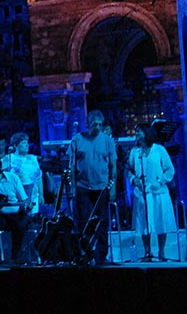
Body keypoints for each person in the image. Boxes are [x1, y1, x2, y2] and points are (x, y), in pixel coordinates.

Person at [69, 109, 118, 265]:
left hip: (102, 187)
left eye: (100, 124)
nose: (97, 127)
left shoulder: (107, 140)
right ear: (88, 123)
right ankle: (86, 254)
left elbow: (113, 165)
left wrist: (113, 187)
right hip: (83, 186)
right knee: (84, 221)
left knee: (102, 222)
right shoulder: (77, 140)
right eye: (94, 124)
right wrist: (73, 188)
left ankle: (101, 256)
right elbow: (72, 167)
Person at [126, 122, 177, 261]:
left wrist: (161, 180)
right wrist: (133, 180)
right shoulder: (135, 152)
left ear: (147, 133)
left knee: (161, 221)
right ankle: (148, 252)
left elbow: (169, 169)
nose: (136, 134)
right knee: (143, 223)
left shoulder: (159, 150)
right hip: (142, 193)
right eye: (136, 132)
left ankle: (161, 251)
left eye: (139, 131)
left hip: (158, 192)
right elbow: (129, 170)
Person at [8, 132, 43, 216]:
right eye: (23, 143)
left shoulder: (33, 159)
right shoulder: (9, 158)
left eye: (27, 143)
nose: (27, 145)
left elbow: (38, 177)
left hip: (33, 195)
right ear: (15, 145)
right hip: (17, 197)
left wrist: (41, 195)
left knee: (33, 220)